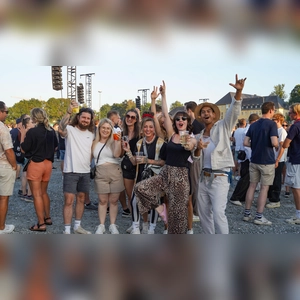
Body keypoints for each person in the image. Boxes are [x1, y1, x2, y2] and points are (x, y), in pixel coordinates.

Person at [134, 81, 197, 234]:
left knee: (177, 217)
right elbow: (162, 115)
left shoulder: (191, 137)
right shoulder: (171, 135)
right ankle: (160, 209)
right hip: (165, 172)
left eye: (183, 119)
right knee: (140, 188)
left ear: (188, 122)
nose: (180, 120)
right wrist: (162, 96)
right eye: (177, 119)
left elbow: (191, 146)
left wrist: (189, 144)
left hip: (180, 177)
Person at [192, 74, 246, 234]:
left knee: (218, 214)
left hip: (220, 177)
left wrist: (238, 93)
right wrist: (197, 148)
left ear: (214, 115)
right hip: (203, 178)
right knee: (203, 215)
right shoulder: (199, 135)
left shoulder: (223, 126)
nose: (206, 113)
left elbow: (234, 111)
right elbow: (194, 157)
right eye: (203, 112)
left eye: (209, 111)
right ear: (200, 117)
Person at [124, 116, 166, 234]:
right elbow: (134, 162)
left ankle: (151, 230)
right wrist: (127, 151)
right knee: (134, 202)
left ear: (154, 129)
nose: (148, 129)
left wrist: (148, 160)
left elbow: (163, 162)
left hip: (154, 177)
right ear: (142, 129)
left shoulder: (161, 143)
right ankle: (136, 228)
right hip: (140, 177)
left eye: (150, 127)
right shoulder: (138, 143)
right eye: (145, 127)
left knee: (153, 204)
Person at [59, 102, 95, 234]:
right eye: (83, 117)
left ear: (91, 120)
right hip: (71, 171)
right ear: (78, 117)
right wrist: (68, 112)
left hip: (85, 172)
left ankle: (77, 226)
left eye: (88, 118)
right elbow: (60, 130)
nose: (85, 120)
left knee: (81, 199)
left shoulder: (91, 134)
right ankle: (67, 230)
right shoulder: (70, 129)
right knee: (69, 201)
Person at [20, 108, 58, 232]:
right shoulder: (52, 131)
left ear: (34, 118)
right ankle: (47, 218)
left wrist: (23, 133)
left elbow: (23, 149)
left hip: (36, 164)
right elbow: (56, 147)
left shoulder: (32, 132)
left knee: (36, 195)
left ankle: (41, 224)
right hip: (48, 164)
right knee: (44, 193)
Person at [243, 101, 279, 226]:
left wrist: (256, 144)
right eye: (274, 110)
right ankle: (259, 216)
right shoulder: (272, 124)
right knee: (264, 188)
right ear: (270, 110)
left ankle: (247, 214)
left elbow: (245, 142)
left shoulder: (253, 125)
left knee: (252, 186)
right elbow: (274, 142)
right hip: (267, 161)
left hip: (254, 159)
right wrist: (278, 145)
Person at [93, 118, 124, 234]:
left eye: (108, 128)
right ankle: (101, 225)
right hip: (100, 172)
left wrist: (117, 140)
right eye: (103, 128)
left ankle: (112, 225)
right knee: (102, 200)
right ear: (99, 128)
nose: (105, 130)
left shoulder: (114, 140)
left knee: (114, 201)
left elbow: (116, 155)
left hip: (115, 171)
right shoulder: (94, 143)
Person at [229, 114, 260, 206]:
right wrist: (252, 158)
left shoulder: (246, 129)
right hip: (248, 157)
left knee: (247, 178)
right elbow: (247, 146)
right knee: (245, 178)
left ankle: (242, 196)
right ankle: (235, 197)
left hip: (245, 155)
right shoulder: (249, 130)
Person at [277, 103, 300, 224]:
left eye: (290, 112)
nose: (289, 114)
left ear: (296, 113)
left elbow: (285, 144)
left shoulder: (295, 126)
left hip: (296, 159)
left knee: (296, 188)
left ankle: (298, 215)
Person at [107, 110, 130, 217]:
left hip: (112, 162)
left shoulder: (112, 129)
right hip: (114, 162)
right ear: (113, 119)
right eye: (118, 118)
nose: (120, 119)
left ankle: (110, 206)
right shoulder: (114, 130)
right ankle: (124, 207)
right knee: (117, 187)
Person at [0, 101, 17, 234]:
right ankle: (1, 227)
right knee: (3, 197)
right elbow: (8, 150)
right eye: (6, 111)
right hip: (4, 165)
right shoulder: (2, 128)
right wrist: (14, 165)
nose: (6, 114)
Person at [265, 113, 287, 208]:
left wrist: (278, 159)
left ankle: (275, 200)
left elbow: (282, 147)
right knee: (272, 179)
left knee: (276, 179)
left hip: (279, 159)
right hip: (273, 158)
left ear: (278, 120)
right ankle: (270, 197)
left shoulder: (281, 131)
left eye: (273, 119)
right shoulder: (275, 130)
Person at [121, 109, 140, 214]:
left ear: (136, 120)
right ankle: (134, 221)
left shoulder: (140, 134)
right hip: (127, 165)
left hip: (139, 165)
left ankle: (144, 221)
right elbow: (119, 154)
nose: (129, 118)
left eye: (133, 117)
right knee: (130, 195)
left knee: (139, 195)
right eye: (128, 116)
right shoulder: (121, 133)